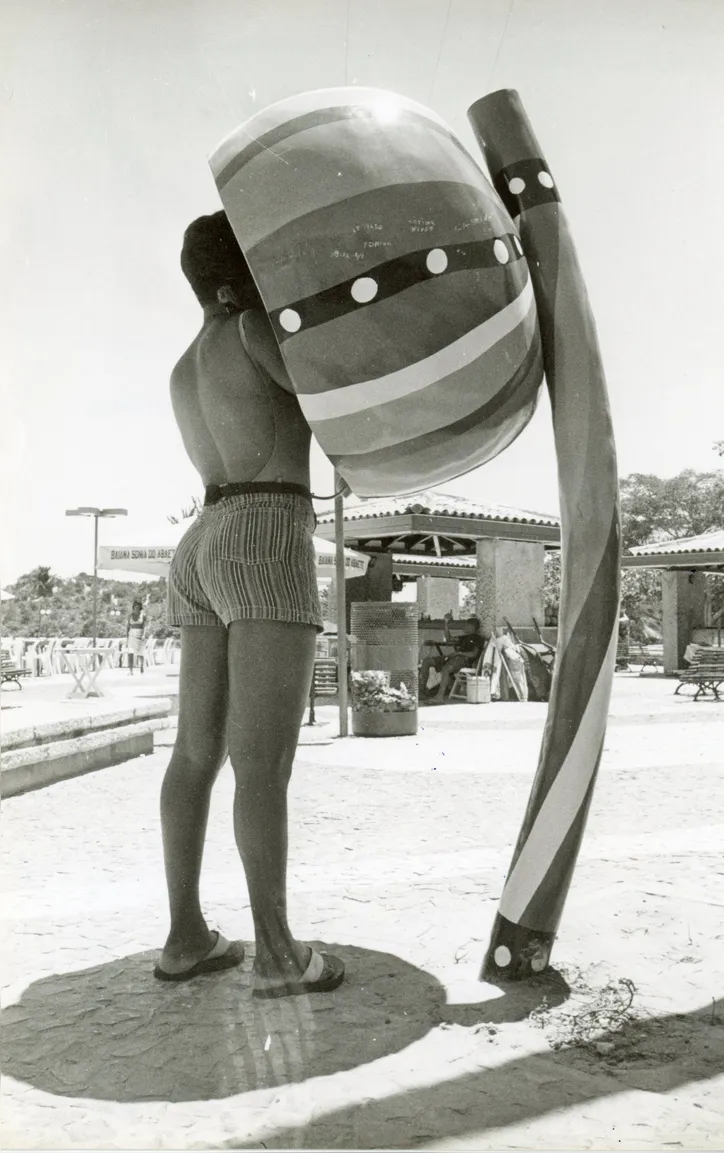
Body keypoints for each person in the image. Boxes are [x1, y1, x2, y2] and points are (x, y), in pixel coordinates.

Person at [155, 211, 344, 997]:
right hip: (267, 526)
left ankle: (186, 937)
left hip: (203, 537)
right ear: (238, 278)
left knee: (196, 750)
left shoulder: (180, 367)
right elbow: (335, 407)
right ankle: (275, 952)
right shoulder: (254, 329)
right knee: (262, 762)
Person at [419, 613, 486, 704]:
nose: (464, 627)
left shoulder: (478, 638)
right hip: (453, 657)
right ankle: (422, 692)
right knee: (427, 661)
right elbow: (448, 639)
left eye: (466, 625)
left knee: (446, 669)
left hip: (463, 660)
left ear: (472, 627)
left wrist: (458, 653)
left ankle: (439, 697)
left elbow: (474, 654)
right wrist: (446, 623)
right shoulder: (463, 637)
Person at [126, 600, 147, 674]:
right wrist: (127, 637)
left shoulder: (143, 616)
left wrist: (144, 635)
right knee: (130, 652)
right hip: (132, 634)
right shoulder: (130, 616)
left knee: (140, 652)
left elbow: (145, 627)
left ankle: (141, 666)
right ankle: (130, 670)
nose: (136, 608)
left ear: (140, 608)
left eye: (138, 607)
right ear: (133, 608)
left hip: (140, 634)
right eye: (135, 607)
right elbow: (128, 626)